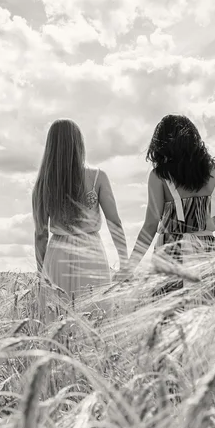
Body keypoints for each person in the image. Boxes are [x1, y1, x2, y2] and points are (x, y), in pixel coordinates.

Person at [126, 114, 215, 296]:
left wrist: (129, 267)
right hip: (208, 254)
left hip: (170, 255)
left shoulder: (159, 176)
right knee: (208, 316)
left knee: (168, 319)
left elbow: (150, 225)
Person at [32, 119, 128, 321]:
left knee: (57, 320)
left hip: (57, 254)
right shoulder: (97, 177)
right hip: (91, 252)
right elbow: (114, 223)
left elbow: (41, 234)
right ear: (79, 144)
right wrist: (124, 261)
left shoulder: (42, 184)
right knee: (95, 318)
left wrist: (42, 273)